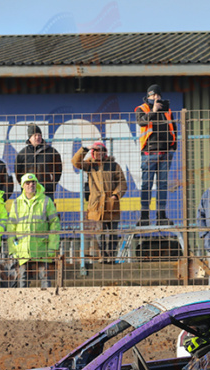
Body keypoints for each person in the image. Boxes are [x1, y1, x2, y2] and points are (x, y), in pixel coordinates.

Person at [71, 141, 127, 261]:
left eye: (101, 150)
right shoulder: (89, 165)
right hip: (97, 205)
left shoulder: (113, 165)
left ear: (105, 152)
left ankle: (111, 257)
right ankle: (102, 256)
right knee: (99, 233)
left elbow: (122, 182)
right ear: (92, 152)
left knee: (112, 232)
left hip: (111, 205)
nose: (99, 153)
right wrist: (85, 148)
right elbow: (75, 162)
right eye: (96, 151)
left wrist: (116, 195)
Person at [135, 84, 177, 223]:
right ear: (148, 97)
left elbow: (173, 128)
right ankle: (145, 216)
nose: (156, 98)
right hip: (149, 152)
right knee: (147, 184)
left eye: (158, 95)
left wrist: (173, 146)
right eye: (153, 96)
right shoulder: (142, 109)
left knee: (162, 184)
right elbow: (142, 122)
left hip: (165, 152)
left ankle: (161, 215)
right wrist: (153, 110)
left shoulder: (167, 110)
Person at [9, 173, 61, 288]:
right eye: (27, 183)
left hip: (43, 247)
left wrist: (52, 247)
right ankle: (23, 302)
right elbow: (11, 228)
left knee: (45, 278)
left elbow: (54, 225)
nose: (31, 185)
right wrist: (13, 249)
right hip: (23, 249)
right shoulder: (17, 203)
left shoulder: (46, 201)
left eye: (33, 182)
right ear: (22, 185)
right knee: (22, 279)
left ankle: (48, 303)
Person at [14, 124, 63, 200]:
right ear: (30, 138)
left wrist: (51, 184)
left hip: (46, 191)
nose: (38, 137)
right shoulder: (22, 154)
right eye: (35, 135)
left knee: (48, 211)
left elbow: (58, 170)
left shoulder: (51, 152)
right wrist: (25, 185)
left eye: (39, 135)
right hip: (28, 192)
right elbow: (18, 172)